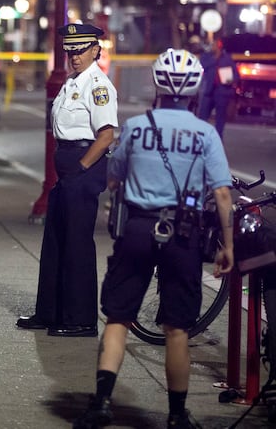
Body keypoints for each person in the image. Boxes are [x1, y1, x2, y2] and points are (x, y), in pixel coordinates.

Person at [73, 49, 234, 429]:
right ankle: (177, 416)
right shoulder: (206, 133)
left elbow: (115, 176)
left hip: (140, 230)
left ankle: (100, 404)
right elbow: (223, 194)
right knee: (178, 328)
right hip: (183, 234)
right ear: (195, 88)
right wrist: (227, 245)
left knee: (118, 318)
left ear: (158, 85)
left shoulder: (137, 127)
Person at [17, 23, 118, 337]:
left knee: (76, 245)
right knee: (56, 242)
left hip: (82, 169)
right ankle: (50, 312)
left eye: (81, 50)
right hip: (69, 170)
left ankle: (80, 319)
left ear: (95, 50)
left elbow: (106, 136)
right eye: (70, 51)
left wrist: (81, 168)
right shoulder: (74, 82)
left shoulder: (98, 85)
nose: (74, 56)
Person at [197, 38, 240, 140]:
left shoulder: (227, 59)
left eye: (215, 45)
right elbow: (203, 66)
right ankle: (200, 138)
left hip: (222, 92)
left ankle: (217, 139)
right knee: (203, 116)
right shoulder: (206, 57)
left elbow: (236, 75)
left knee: (220, 118)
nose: (213, 47)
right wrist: (215, 59)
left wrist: (230, 80)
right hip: (208, 91)